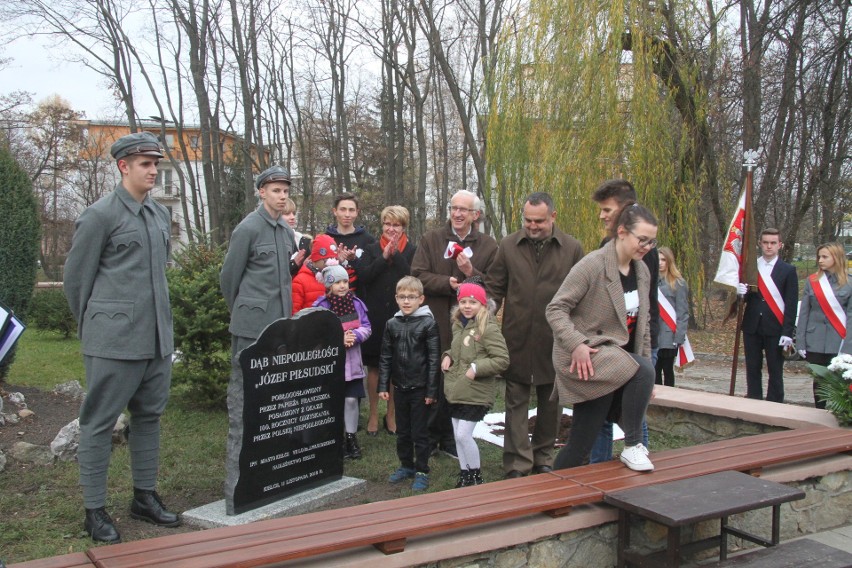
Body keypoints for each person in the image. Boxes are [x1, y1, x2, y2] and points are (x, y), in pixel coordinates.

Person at [64, 132, 180, 543]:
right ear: (123, 166)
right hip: (113, 340)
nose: (153, 170)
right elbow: (77, 281)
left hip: (155, 339)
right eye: (145, 164)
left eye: (155, 163)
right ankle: (94, 510)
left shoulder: (158, 215)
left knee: (148, 417)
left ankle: (143, 497)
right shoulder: (100, 215)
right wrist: (99, 327)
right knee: (98, 423)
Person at [546, 204, 658, 472]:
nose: (646, 246)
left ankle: (555, 494)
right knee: (641, 369)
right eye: (641, 239)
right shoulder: (593, 265)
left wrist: (646, 375)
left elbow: (642, 325)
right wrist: (577, 344)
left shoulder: (641, 271)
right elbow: (555, 309)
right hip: (588, 355)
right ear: (622, 232)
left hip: (617, 361)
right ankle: (632, 446)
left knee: (580, 443)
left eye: (652, 241)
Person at [485, 192, 584, 479]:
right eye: (527, 220)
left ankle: (543, 457)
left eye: (539, 221)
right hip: (515, 338)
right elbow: (494, 287)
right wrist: (482, 318)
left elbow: (582, 295)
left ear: (553, 217)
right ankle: (517, 464)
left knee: (551, 402)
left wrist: (578, 336)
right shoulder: (508, 245)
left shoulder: (572, 249)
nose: (532, 226)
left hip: (555, 340)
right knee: (515, 402)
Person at [220, 165, 296, 514]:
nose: (282, 196)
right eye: (276, 190)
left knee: (272, 399)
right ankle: (243, 475)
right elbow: (230, 279)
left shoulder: (283, 230)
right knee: (246, 400)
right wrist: (245, 312)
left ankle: (271, 467)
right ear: (261, 192)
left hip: (278, 326)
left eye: (285, 190)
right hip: (251, 327)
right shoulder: (248, 228)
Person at [411, 190, 499, 458]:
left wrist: (471, 274)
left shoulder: (488, 245)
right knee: (434, 376)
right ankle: (428, 436)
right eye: (454, 208)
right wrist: (445, 283)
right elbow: (417, 274)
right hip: (436, 319)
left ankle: (451, 438)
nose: (458, 214)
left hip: (469, 326)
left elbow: (495, 287)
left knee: (460, 379)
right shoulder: (432, 239)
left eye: (464, 209)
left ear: (476, 215)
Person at [588, 180, 658, 463]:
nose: (602, 215)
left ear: (625, 209)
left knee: (631, 414)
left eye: (607, 209)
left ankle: (636, 456)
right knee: (603, 414)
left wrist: (642, 356)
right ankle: (599, 469)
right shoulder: (609, 246)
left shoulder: (643, 250)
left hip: (631, 342)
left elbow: (640, 304)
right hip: (611, 342)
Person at [441, 279, 510, 486]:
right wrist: (448, 356)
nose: (467, 306)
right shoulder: (458, 325)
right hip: (456, 387)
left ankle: (476, 476)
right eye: (463, 302)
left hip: (476, 390)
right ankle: (465, 474)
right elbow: (458, 350)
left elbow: (502, 359)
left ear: (482, 304)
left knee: (463, 435)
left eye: (473, 302)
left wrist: (476, 369)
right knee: (456, 434)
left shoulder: (487, 327)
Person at [358, 206, 417, 436]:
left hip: (400, 317)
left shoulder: (411, 250)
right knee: (374, 367)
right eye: (388, 224)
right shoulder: (371, 249)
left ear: (403, 227)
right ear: (382, 225)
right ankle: (373, 414)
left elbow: (412, 277)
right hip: (374, 316)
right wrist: (383, 257)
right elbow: (364, 277)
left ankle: (391, 416)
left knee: (395, 368)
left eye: (397, 225)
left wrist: (397, 255)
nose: (391, 229)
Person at [378, 276, 440, 491]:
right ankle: (406, 465)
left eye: (411, 297)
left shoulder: (428, 323)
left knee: (420, 433)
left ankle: (422, 470)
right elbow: (385, 356)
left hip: (421, 388)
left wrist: (432, 390)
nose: (406, 301)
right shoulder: (391, 324)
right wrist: (383, 386)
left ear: (420, 299)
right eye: (402, 297)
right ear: (396, 298)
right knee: (402, 431)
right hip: (400, 387)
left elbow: (434, 359)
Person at [313, 263, 372, 459]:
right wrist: (338, 338)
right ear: (329, 285)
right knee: (332, 402)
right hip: (331, 366)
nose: (342, 285)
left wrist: (354, 335)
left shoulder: (356, 304)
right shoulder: (321, 307)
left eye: (345, 281)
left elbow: (366, 327)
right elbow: (316, 333)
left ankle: (351, 438)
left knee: (351, 401)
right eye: (337, 282)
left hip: (353, 364)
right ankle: (332, 440)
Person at [739, 228, 798, 403]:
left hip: (776, 327)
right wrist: (741, 292)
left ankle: (775, 403)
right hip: (752, 325)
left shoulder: (788, 270)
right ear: (760, 244)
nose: (769, 246)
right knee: (752, 367)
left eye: (773, 243)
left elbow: (791, 304)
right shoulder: (751, 268)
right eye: (765, 242)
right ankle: (754, 399)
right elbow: (746, 298)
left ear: (780, 245)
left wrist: (788, 332)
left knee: (775, 369)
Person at [796, 242, 852, 408]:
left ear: (836, 258)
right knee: (819, 383)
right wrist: (800, 340)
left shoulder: (849, 283)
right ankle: (818, 415)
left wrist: (848, 346)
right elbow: (804, 313)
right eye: (819, 256)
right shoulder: (813, 281)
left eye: (824, 257)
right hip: (815, 340)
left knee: (840, 383)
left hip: (839, 340)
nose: (820, 260)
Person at [324, 193, 376, 294]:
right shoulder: (325, 239)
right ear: (335, 211)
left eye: (351, 210)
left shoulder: (368, 240)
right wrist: (337, 260)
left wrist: (354, 260)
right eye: (343, 209)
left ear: (357, 212)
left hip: (361, 302)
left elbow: (372, 273)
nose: (347, 214)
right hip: (331, 301)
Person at [655, 246, 689, 387]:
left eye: (663, 259)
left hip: (669, 334)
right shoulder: (649, 281)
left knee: (667, 370)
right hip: (653, 334)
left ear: (669, 261)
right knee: (654, 370)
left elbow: (683, 312)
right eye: (658, 260)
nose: (660, 263)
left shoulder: (678, 283)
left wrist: (679, 336)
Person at [292, 234, 338, 313]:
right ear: (316, 258)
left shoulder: (335, 277)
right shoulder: (300, 281)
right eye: (326, 259)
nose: (330, 263)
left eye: (333, 259)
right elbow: (294, 310)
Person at [282, 197, 311, 276]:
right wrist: (293, 264)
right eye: (287, 214)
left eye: (294, 213)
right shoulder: (267, 241)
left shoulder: (302, 241)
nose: (292, 217)